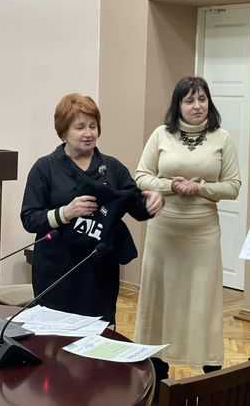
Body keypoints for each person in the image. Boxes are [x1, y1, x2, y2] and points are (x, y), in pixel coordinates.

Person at [20, 93, 163, 325]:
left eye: (92, 126)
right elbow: (30, 219)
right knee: (54, 336)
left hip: (100, 273)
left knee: (99, 333)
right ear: (63, 132)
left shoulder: (113, 168)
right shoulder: (45, 168)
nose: (88, 133)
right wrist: (65, 213)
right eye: (80, 127)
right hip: (57, 271)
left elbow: (137, 208)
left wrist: (154, 200)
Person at [134, 76, 241, 378]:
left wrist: (201, 189)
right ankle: (158, 367)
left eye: (202, 99)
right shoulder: (160, 135)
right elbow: (140, 176)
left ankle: (210, 368)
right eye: (189, 100)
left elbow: (233, 186)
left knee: (203, 299)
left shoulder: (222, 138)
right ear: (178, 105)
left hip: (202, 233)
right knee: (161, 297)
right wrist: (170, 186)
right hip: (164, 231)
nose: (197, 106)